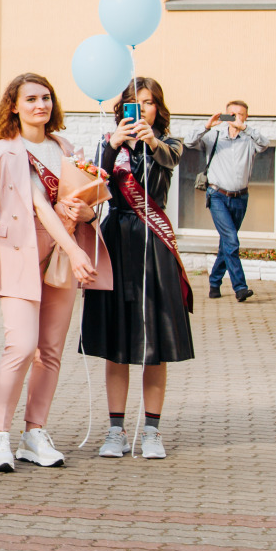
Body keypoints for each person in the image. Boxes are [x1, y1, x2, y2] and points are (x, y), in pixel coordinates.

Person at [0, 72, 103, 473]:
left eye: (46, 98)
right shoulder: (1, 150)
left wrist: (89, 212)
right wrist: (74, 248)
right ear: (13, 105)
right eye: (31, 98)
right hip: (19, 252)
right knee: (20, 346)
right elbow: (36, 203)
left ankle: (35, 433)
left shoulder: (65, 147)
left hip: (61, 254)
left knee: (49, 351)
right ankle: (0, 436)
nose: (41, 105)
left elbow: (80, 200)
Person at [86, 79, 191, 460]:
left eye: (147, 103)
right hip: (116, 240)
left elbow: (169, 161)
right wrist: (113, 145)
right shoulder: (109, 142)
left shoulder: (169, 142)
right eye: (133, 103)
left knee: (154, 345)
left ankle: (151, 430)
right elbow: (91, 181)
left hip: (153, 245)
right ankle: (115, 430)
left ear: (157, 107)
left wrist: (150, 142)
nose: (141, 109)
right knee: (117, 345)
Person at [181, 100, 267, 303]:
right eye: (232, 114)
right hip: (217, 195)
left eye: (241, 114)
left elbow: (265, 143)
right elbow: (189, 142)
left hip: (240, 197)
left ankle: (214, 281)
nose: (236, 117)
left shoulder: (249, 140)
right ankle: (240, 287)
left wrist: (244, 128)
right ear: (225, 116)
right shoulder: (214, 136)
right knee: (232, 240)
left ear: (246, 117)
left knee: (227, 243)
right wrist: (207, 125)